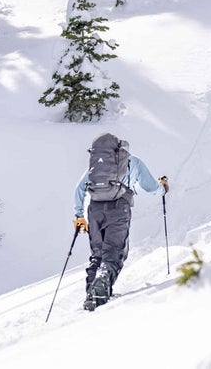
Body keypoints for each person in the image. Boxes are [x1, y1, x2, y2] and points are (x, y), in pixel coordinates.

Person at [73, 133, 169, 310]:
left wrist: (79, 216)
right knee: (113, 253)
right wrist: (163, 187)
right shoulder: (133, 162)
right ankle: (101, 289)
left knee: (97, 253)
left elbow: (79, 188)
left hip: (94, 209)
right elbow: (151, 188)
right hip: (118, 209)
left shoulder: (96, 165)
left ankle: (91, 293)